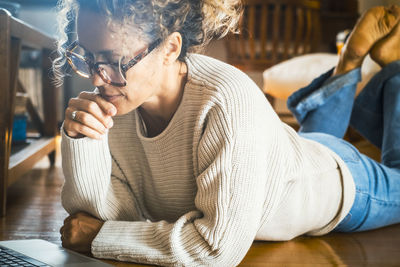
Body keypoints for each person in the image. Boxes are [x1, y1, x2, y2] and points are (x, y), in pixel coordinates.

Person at [55, 0, 400, 265]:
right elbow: (103, 221)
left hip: (334, 182)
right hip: (284, 160)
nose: (98, 79)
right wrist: (84, 140)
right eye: (88, 58)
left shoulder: (225, 100)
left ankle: (396, 71)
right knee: (303, 146)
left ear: (171, 49)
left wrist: (101, 238)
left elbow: (216, 249)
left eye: (115, 62)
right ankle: (348, 65)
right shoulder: (120, 101)